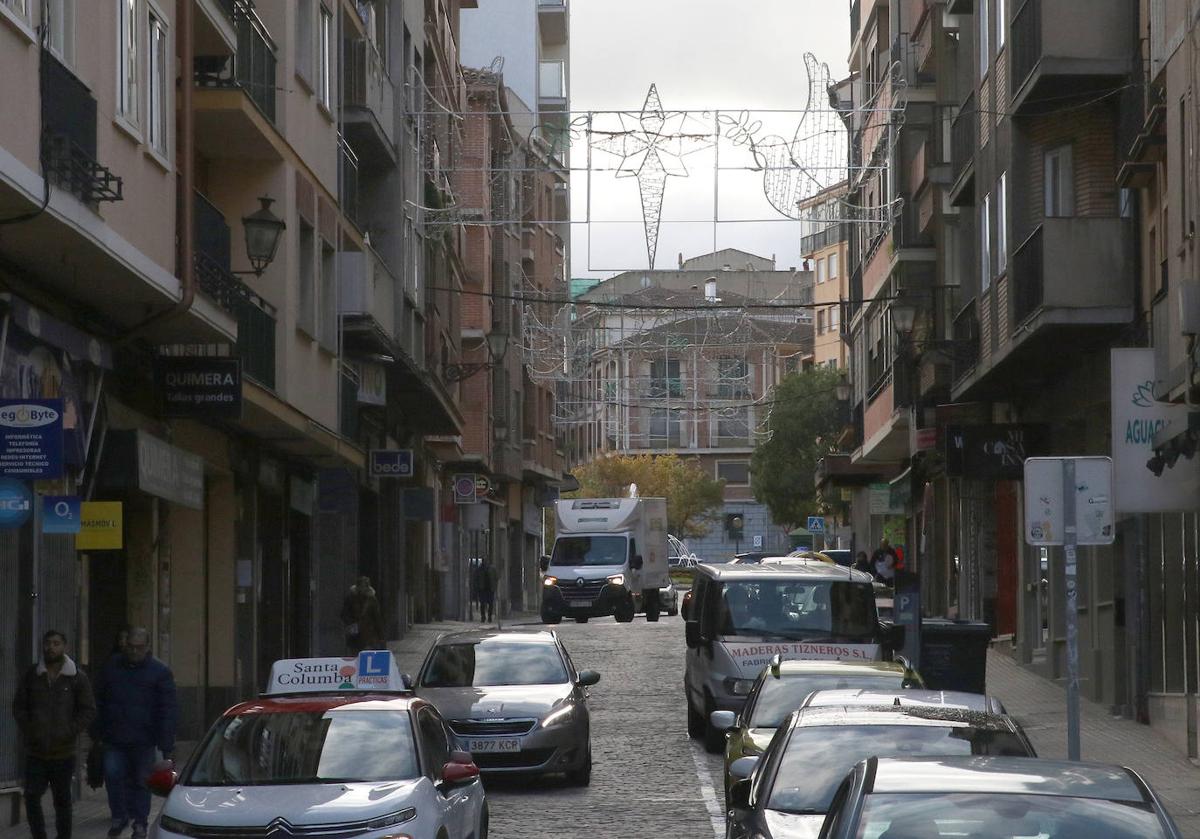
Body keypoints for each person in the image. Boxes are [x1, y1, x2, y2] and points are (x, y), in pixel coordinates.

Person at [93, 628, 177, 839]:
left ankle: (140, 822)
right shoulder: (111, 668)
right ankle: (119, 816)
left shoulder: (159, 672)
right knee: (113, 776)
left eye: (139, 647)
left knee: (142, 781)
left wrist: (166, 744)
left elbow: (167, 709)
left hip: (144, 739)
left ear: (147, 647)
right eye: (130, 646)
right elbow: (98, 700)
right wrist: (97, 731)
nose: (134, 651)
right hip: (114, 735)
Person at [12, 630, 96, 839]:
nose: (51, 647)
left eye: (56, 643)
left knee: (62, 800)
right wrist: (30, 729)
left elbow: (88, 710)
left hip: (63, 752)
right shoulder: (33, 675)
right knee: (31, 797)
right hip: (36, 751)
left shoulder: (76, 677)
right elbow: (19, 707)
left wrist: (70, 730)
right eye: (48, 643)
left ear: (64, 646)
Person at [341, 576, 385, 654]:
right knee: (355, 654)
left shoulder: (372, 599)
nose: (363, 589)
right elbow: (344, 614)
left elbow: (377, 618)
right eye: (361, 586)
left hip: (368, 634)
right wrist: (351, 624)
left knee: (365, 654)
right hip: (355, 634)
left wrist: (380, 636)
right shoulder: (351, 598)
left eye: (365, 586)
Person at [474, 557, 497, 623]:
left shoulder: (492, 569)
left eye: (486, 561)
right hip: (482, 589)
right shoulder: (479, 570)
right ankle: (483, 617)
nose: (485, 563)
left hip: (490, 589)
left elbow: (496, 578)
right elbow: (476, 578)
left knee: (490, 604)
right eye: (484, 561)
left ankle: (489, 617)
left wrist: (494, 587)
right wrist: (477, 587)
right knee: (483, 604)